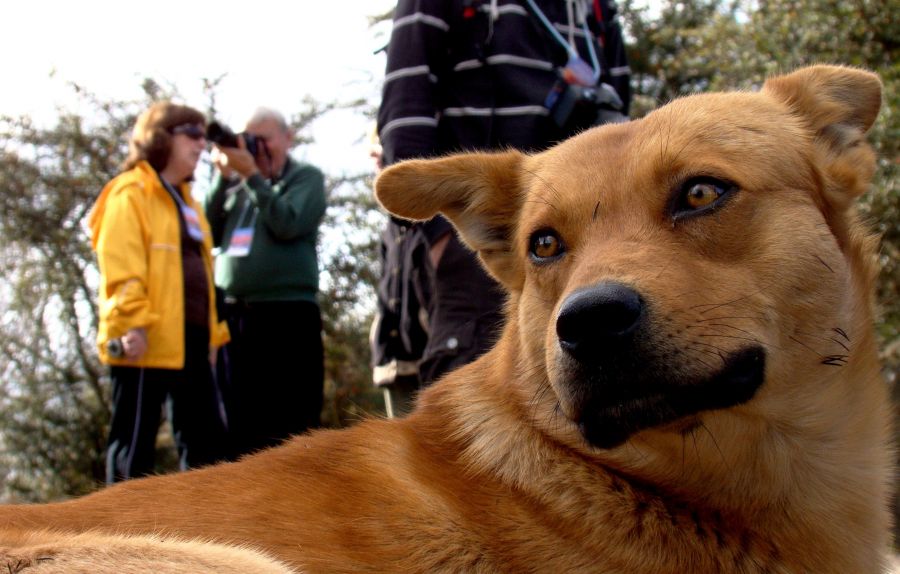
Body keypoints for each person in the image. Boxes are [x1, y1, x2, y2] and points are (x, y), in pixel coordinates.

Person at [374, 0, 632, 416]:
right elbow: (405, 111)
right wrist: (443, 242)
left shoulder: (598, 10)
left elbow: (620, 114)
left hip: (602, 236)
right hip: (485, 238)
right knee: (477, 423)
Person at [89, 102, 230, 483]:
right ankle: (116, 537)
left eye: (205, 135)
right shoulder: (129, 192)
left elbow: (204, 275)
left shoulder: (188, 203)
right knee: (132, 448)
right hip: (143, 338)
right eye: (193, 134)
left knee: (208, 448)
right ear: (160, 136)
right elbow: (121, 266)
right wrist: (133, 323)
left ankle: (202, 533)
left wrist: (214, 340)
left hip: (193, 343)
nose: (203, 144)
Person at [204, 107, 327, 457]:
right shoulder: (238, 185)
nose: (258, 147)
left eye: (265, 138)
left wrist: (253, 178)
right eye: (250, 139)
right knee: (238, 430)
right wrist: (223, 178)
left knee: (292, 427)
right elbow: (207, 234)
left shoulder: (306, 178)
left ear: (288, 138)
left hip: (287, 317)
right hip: (236, 319)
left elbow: (288, 223)